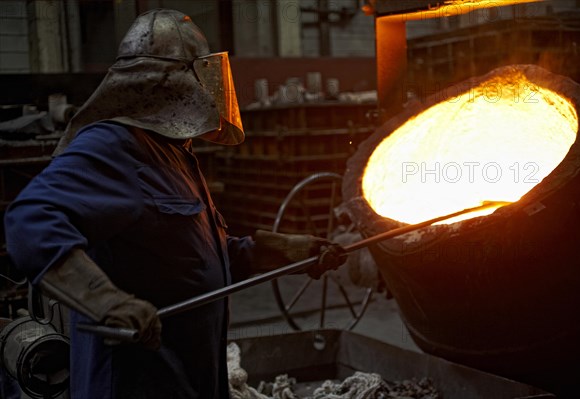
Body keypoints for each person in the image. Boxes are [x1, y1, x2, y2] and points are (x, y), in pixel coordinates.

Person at [3, 9, 346, 399]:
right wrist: (105, 300)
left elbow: (189, 261)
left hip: (191, 378)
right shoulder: (116, 145)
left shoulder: (175, 154)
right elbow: (30, 220)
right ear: (175, 80)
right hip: (137, 385)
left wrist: (280, 251)